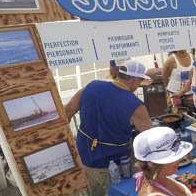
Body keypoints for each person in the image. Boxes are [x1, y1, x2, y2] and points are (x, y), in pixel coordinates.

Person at [65, 59, 153, 187]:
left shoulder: (91, 86)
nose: (138, 85)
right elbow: (149, 137)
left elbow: (67, 111)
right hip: (113, 163)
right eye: (139, 81)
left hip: (83, 155)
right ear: (133, 80)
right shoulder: (135, 104)